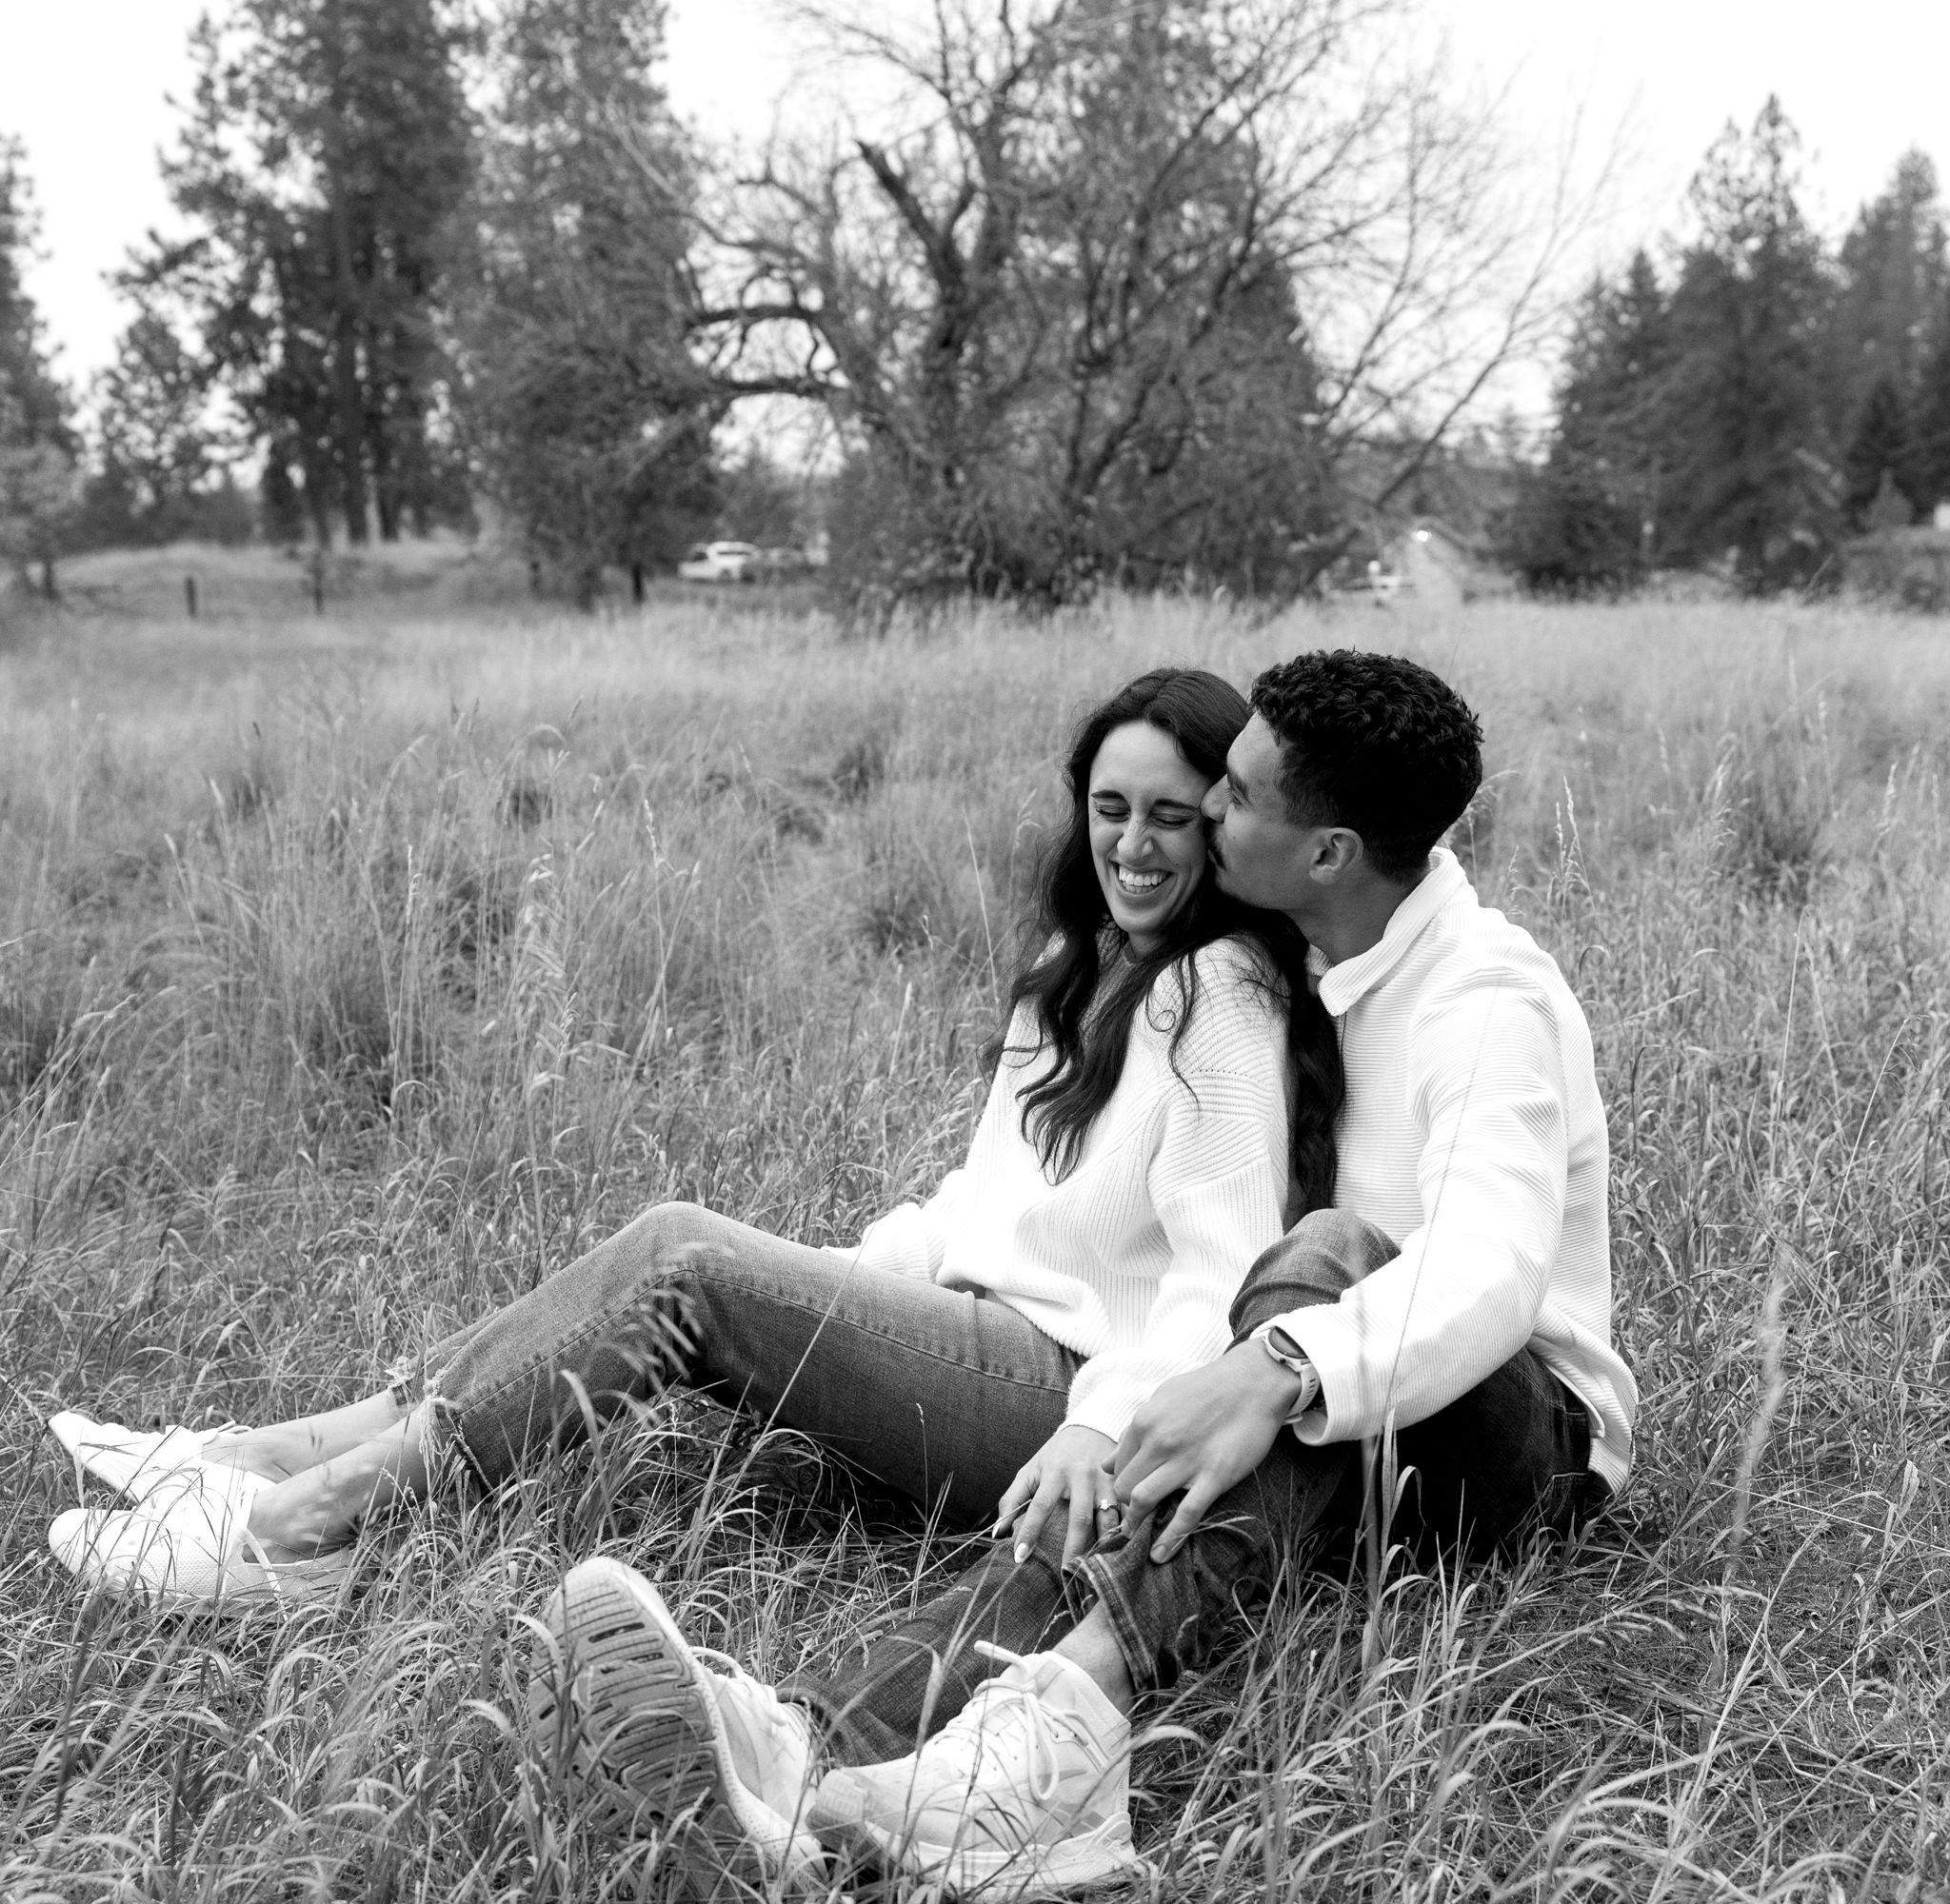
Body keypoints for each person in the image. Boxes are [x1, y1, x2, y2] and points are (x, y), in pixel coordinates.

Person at [526, 647, 1640, 1900]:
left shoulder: (1484, 1000)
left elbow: (1488, 1264)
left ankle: (1067, 1721)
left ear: (1329, 853)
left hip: (1508, 1448)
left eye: (1235, 795)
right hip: (1328, 1418)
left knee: (1317, 1263)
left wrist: (1269, 1370)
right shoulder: (1294, 959)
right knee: (1158, 1438)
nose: (1207, 805)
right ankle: (810, 1758)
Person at [45, 673, 1342, 1734]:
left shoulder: (1220, 997)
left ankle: (305, 1527)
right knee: (696, 1263)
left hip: (1067, 1403)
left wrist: (1102, 1420)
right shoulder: (1085, 968)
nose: (1133, 845)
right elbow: (981, 1200)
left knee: (684, 1258)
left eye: (1172, 818)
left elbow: (1226, 1279)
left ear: (1222, 832)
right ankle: (261, 1457)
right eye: (1111, 808)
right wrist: (832, 1288)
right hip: (980, 1341)